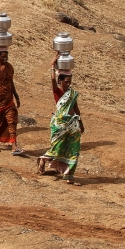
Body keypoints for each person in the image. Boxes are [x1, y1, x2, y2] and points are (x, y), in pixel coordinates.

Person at [38, 56, 85, 185]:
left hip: (72, 125)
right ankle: (44, 159)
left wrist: (80, 122)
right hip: (60, 125)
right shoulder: (57, 92)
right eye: (66, 82)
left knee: (74, 149)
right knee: (57, 148)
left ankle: (69, 176)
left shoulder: (73, 93)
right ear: (60, 81)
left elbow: (76, 108)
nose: (68, 84)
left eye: (70, 82)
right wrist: (53, 66)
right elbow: (52, 79)